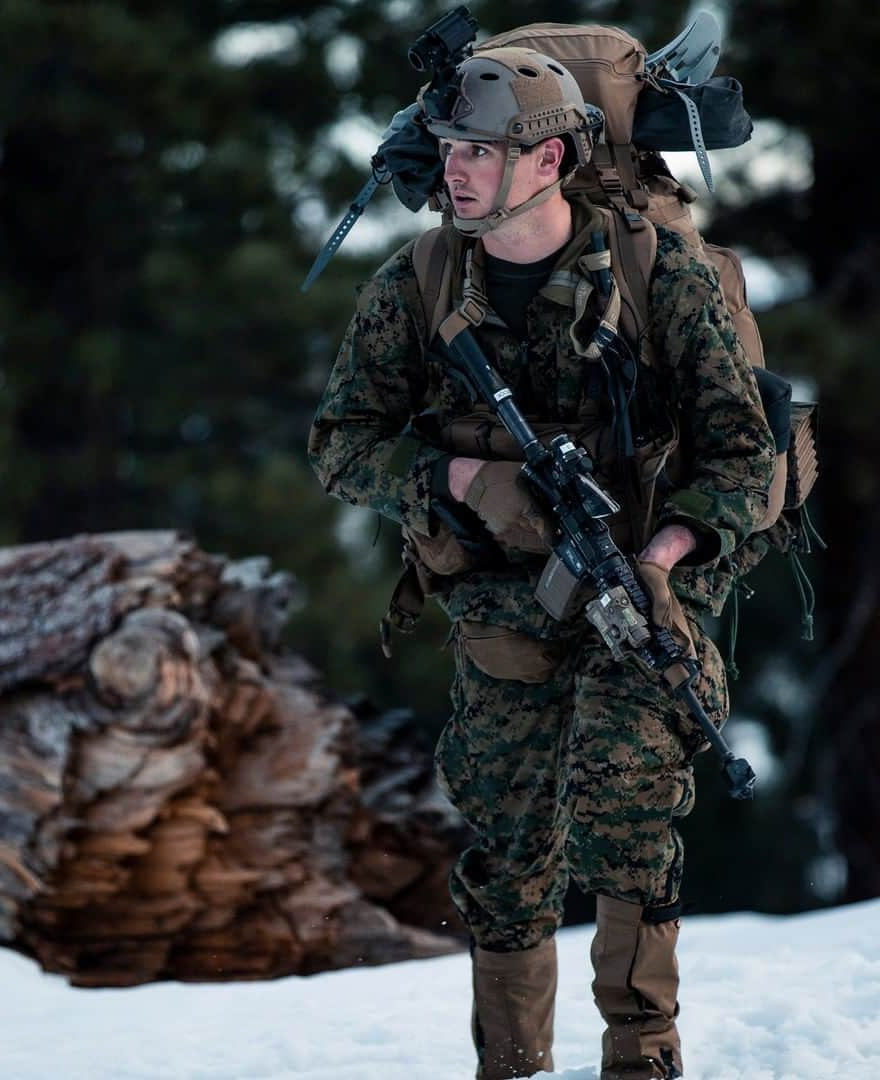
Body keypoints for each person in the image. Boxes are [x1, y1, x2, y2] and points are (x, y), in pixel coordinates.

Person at [308, 46, 775, 1080]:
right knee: (507, 842)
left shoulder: (660, 275)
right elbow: (341, 443)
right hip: (497, 600)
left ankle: (641, 1055)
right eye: (448, 148)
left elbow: (744, 455)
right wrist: (467, 484)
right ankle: (511, 1063)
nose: (457, 169)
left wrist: (665, 551)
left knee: (630, 812)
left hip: (637, 588)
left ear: (550, 156)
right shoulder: (418, 285)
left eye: (480, 150)